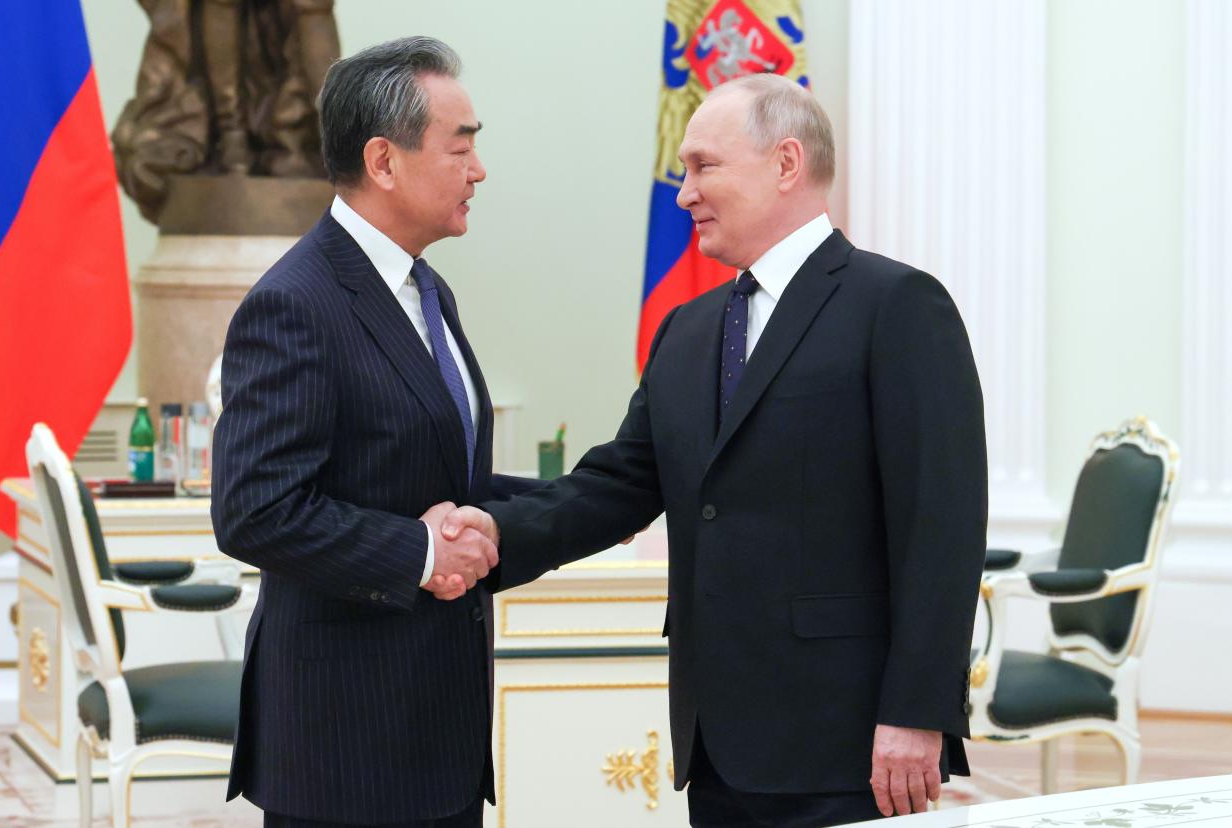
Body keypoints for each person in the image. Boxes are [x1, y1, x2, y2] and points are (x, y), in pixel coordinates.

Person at [443, 74, 988, 827]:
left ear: (786, 163)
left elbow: (943, 527)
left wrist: (918, 713)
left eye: (703, 166)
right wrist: (492, 533)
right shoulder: (689, 329)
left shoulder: (896, 307)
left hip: (848, 737)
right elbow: (619, 485)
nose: (683, 193)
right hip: (717, 739)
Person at [212, 36, 538, 827]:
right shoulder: (297, 302)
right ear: (384, 161)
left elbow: (440, 478)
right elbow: (256, 510)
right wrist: (422, 553)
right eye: (461, 147)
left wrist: (610, 491)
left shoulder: (427, 291)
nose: (479, 169)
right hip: (345, 745)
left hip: (437, 733)